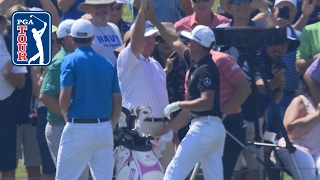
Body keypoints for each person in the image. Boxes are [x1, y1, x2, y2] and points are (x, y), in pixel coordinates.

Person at [56, 18, 122, 180]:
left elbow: (64, 99)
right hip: (104, 127)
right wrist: (109, 126)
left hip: (78, 127)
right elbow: (117, 101)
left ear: (71, 38)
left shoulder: (69, 60)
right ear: (92, 38)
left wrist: (67, 118)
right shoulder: (107, 63)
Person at [116, 0, 175, 169]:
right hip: (140, 128)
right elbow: (135, 44)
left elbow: (161, 97)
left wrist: (173, 131)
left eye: (154, 38)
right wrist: (142, 11)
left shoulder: (156, 65)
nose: (151, 42)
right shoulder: (127, 59)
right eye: (146, 38)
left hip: (163, 129)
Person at [40, 19, 90, 180]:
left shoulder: (75, 58)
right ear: (68, 38)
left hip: (75, 127)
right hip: (61, 127)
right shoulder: (60, 62)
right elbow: (46, 96)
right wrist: (70, 119)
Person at [0, 11, 26, 180]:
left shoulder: (13, 45)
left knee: (7, 163)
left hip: (6, 108)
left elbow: (22, 82)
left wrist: (9, 76)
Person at [276, 80, 320, 179]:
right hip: (295, 146)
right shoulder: (301, 100)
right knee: (308, 175)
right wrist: (317, 115)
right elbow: (291, 131)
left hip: (318, 150)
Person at [78, 0, 122, 66]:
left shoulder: (114, 28)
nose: (101, 9)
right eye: (97, 6)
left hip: (116, 74)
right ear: (87, 8)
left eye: (105, 6)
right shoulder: (84, 28)